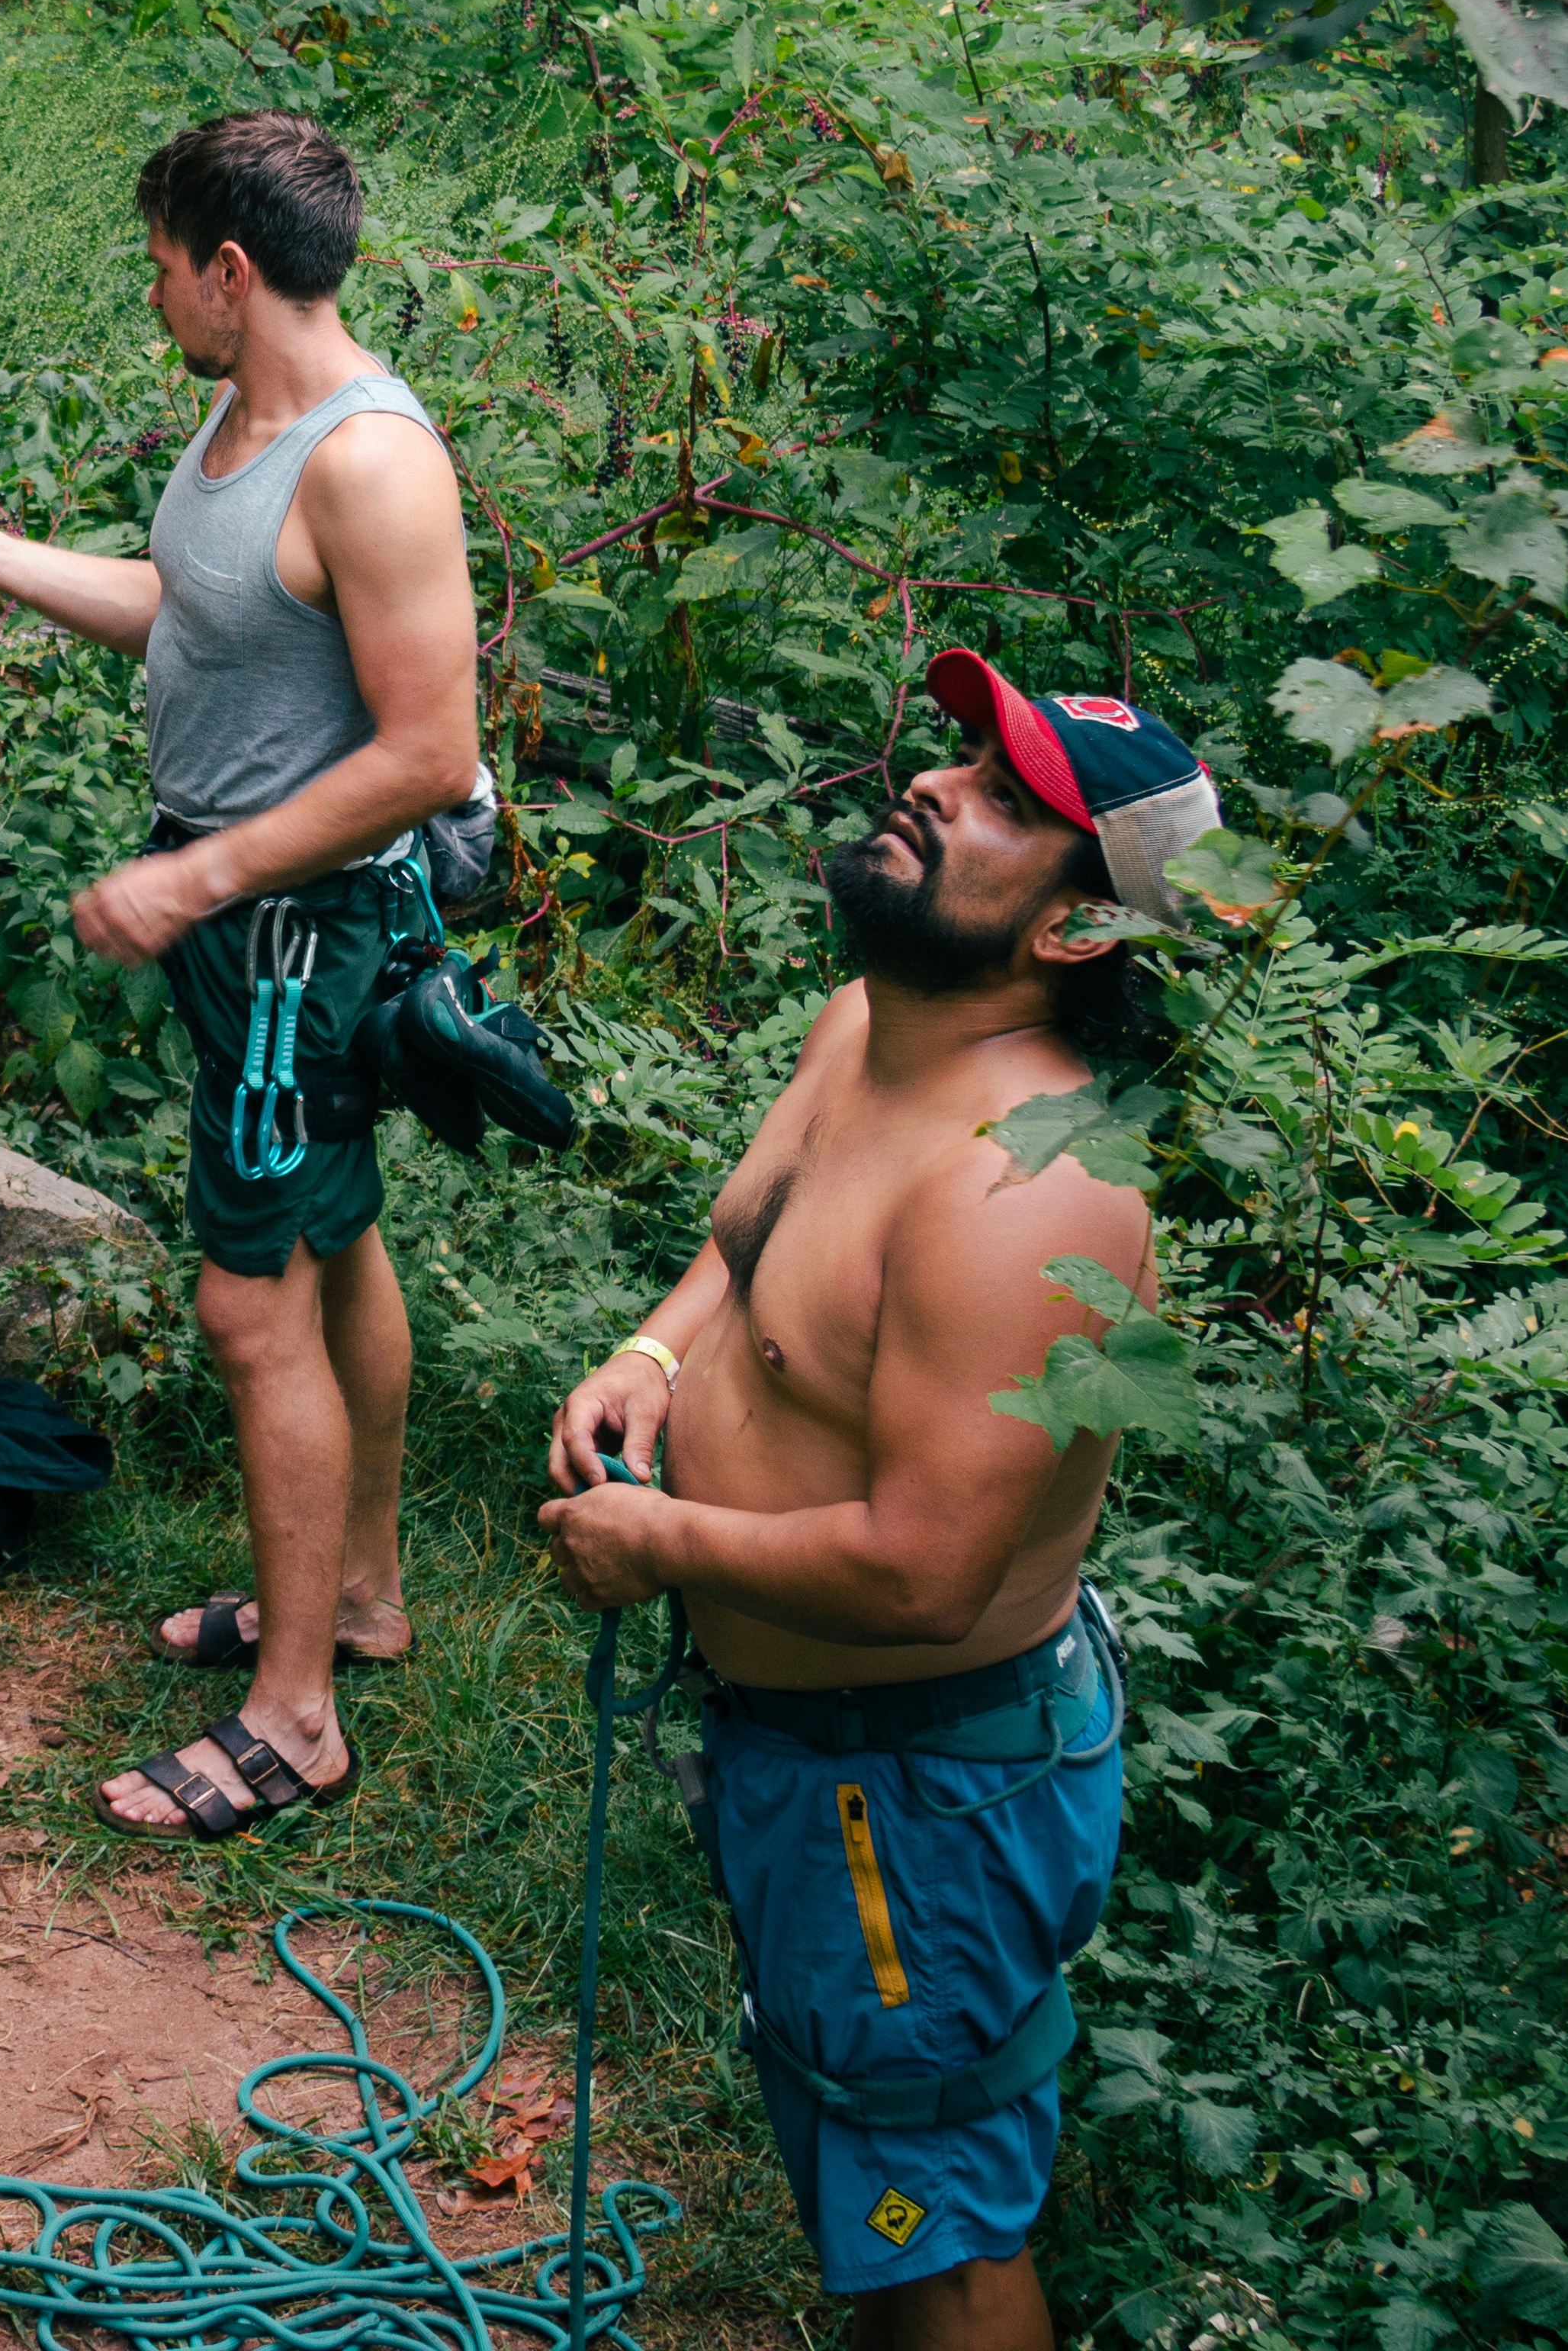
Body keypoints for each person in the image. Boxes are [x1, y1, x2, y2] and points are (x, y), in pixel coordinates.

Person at [535, 652, 1212, 2349]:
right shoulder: (871, 1022)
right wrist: (654, 1356)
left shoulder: (1028, 1190)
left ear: (1078, 928)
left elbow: (927, 1572)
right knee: (873, 2155)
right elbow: (748, 1240)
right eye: (966, 756)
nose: (936, 784)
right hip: (813, 1757)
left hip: (916, 1792)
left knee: (941, 2222)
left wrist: (660, 1540)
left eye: (1005, 802)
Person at [0, 108, 477, 1843]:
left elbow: (431, 751)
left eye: (162, 264)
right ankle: (359, 1597)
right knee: (339, 1242)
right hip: (252, 920)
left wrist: (200, 873)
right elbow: (194, 612)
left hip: (294, 931)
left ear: (231, 270)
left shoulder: (371, 464)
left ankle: (296, 1718)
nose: (151, 291)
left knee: (250, 1305)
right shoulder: (242, 416)